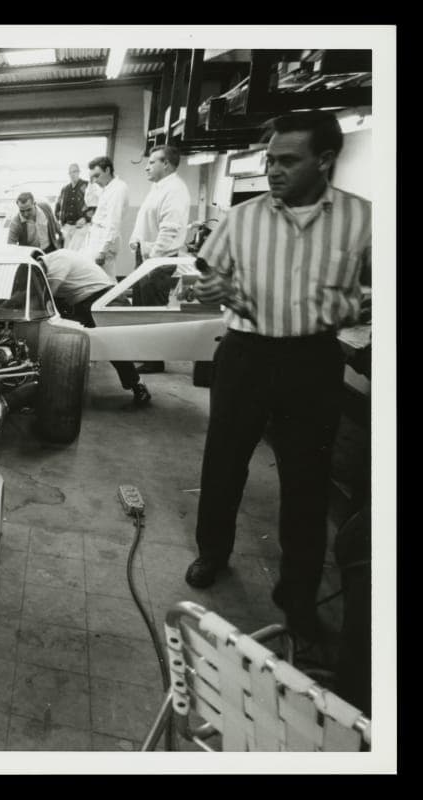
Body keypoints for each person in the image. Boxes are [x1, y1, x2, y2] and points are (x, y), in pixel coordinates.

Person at [184, 111, 371, 647]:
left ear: (325, 161)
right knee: (223, 462)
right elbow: (209, 271)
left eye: (288, 160)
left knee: (306, 482)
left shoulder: (363, 221)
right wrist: (212, 289)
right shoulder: (242, 219)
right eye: (269, 159)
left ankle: (298, 597)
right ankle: (213, 554)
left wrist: (350, 303)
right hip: (245, 355)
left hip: (313, 360)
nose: (273, 170)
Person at [42, 249, 151, 406]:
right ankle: (66, 390)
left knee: (111, 346)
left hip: (102, 300)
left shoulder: (58, 260)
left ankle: (138, 386)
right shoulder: (55, 261)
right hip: (91, 301)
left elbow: (48, 294)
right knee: (73, 340)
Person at [128, 145, 191, 373]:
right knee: (141, 307)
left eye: (152, 161)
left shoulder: (174, 189)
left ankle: (154, 360)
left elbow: (170, 230)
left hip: (157, 259)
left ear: (166, 164)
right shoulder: (158, 187)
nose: (146, 166)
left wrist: (152, 259)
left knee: (152, 310)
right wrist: (136, 240)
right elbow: (146, 218)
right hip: (147, 255)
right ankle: (144, 353)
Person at [86, 156, 129, 280]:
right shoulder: (106, 188)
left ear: (108, 170)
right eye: (92, 177)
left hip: (105, 240)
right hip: (97, 237)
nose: (95, 180)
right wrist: (91, 182)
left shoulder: (117, 189)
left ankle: (113, 300)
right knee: (97, 277)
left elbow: (113, 222)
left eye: (97, 175)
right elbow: (89, 201)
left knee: (106, 279)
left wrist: (103, 251)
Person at [55, 163, 89, 248]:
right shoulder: (65, 189)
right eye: (70, 172)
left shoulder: (86, 186)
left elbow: (94, 206)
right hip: (67, 227)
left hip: (80, 227)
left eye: (74, 171)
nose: (72, 174)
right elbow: (58, 206)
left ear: (79, 172)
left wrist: (85, 218)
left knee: (77, 252)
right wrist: (59, 220)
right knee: (66, 252)